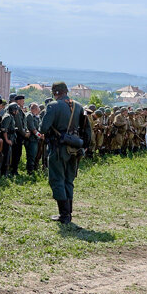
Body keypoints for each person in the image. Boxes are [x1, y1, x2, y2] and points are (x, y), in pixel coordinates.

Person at [39, 82, 90, 225]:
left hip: (58, 148)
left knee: (57, 180)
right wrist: (83, 146)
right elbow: (87, 130)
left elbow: (43, 128)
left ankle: (64, 214)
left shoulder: (53, 106)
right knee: (69, 180)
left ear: (55, 92)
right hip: (75, 148)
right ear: (66, 91)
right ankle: (68, 213)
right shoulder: (79, 106)